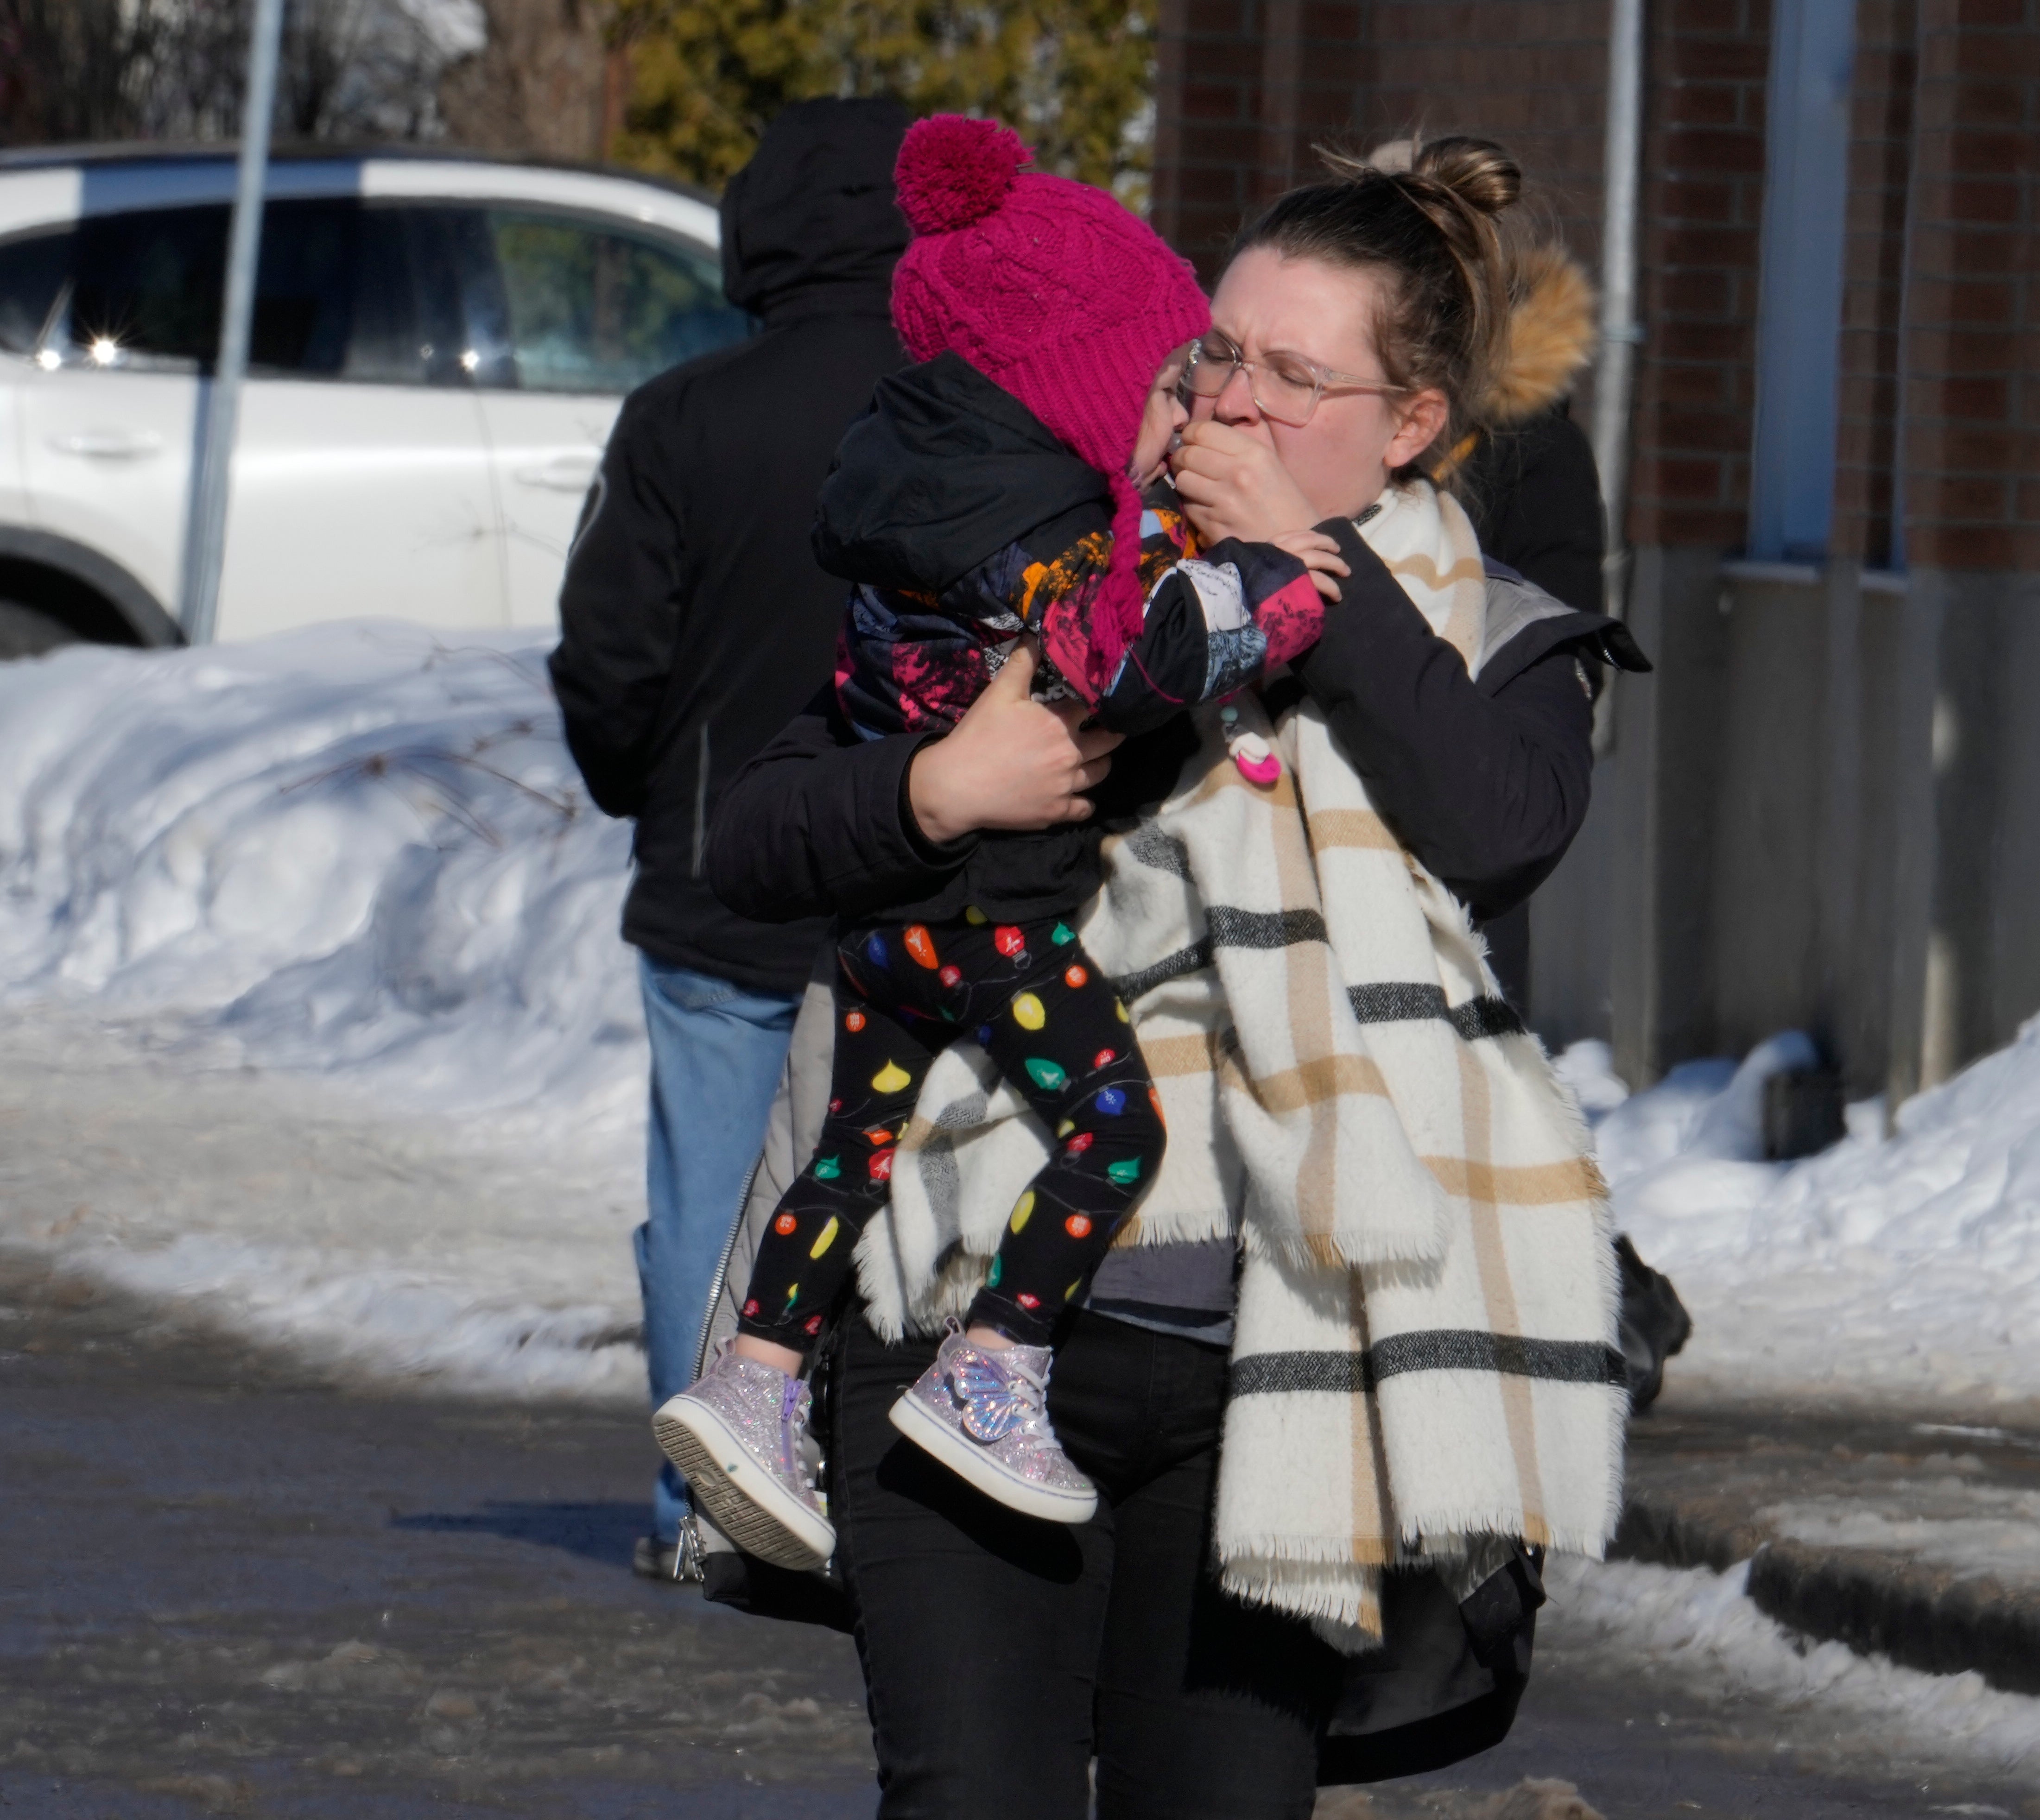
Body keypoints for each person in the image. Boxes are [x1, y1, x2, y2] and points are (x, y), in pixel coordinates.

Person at [708, 134, 1645, 1819]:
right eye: (1219, 351)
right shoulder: (1051, 551)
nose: (1233, 404)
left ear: (1409, 425)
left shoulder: (1491, 632)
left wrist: (1309, 582)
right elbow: (760, 833)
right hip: (952, 1328)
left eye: (1297, 377)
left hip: (1274, 1384)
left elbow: (1499, 828)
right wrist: (936, 789)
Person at [649, 115, 1341, 1568]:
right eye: (1167, 382)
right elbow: (1134, 662)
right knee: (1112, 1129)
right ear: (1081, 393)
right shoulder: (1056, 549)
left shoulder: (913, 514)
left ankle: (757, 1373)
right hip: (994, 930)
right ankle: (997, 1364)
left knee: (853, 1141)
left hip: (889, 937)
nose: (1194, 412)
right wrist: (1274, 592)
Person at [546, 96, 909, 1580]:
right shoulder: (969, 409)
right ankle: (895, 1504)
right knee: (898, 1194)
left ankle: (712, 1510)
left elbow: (608, 657)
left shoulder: (683, 419)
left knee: (713, 1212)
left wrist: (642, 787)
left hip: (719, 887)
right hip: (915, 876)